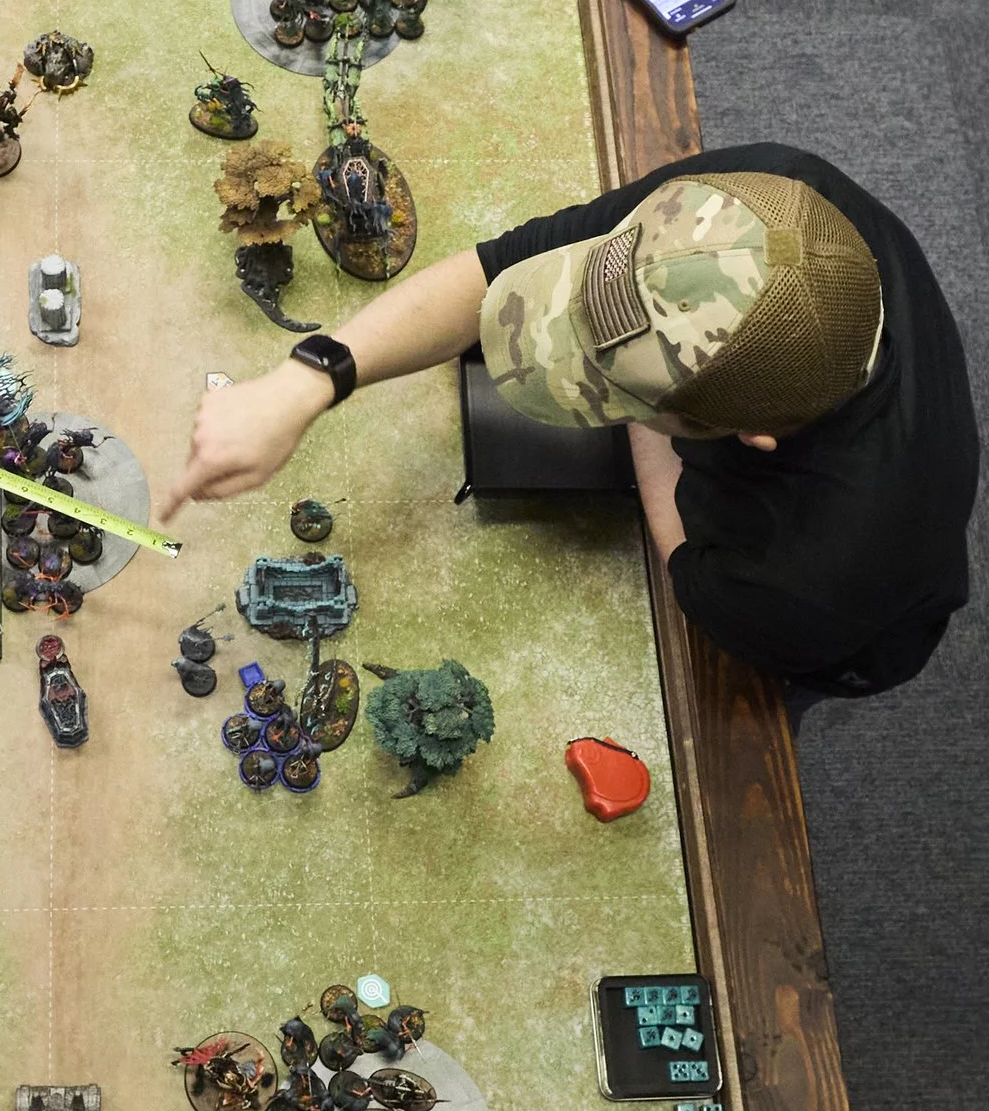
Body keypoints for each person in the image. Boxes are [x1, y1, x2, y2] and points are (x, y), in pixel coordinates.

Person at [161, 145, 976, 706]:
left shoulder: (796, 582)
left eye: (615, 387)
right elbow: (492, 271)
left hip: (849, 635)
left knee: (782, 691)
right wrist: (308, 381)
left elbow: (683, 553)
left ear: (744, 437)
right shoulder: (756, 213)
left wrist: (628, 404)